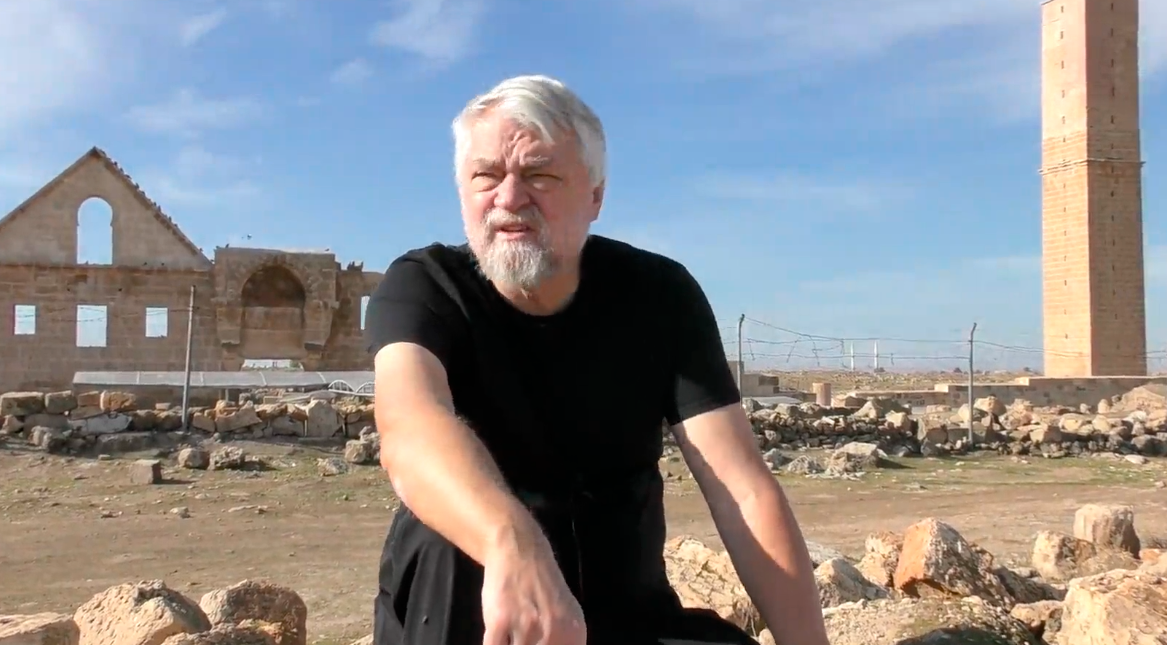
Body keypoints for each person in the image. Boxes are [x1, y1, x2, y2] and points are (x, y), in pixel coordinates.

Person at [363, 74, 829, 645]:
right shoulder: (424, 286)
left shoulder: (659, 295)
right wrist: (513, 541)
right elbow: (410, 429)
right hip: (468, 617)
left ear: (595, 197)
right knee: (447, 530)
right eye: (485, 176)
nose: (508, 199)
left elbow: (742, 489)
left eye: (539, 175)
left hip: (623, 614)